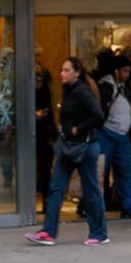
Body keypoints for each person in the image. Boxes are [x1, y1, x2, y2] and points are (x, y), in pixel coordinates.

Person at [26, 57, 109, 246]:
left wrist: (78, 129)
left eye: (66, 70)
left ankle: (99, 233)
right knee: (56, 187)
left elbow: (98, 116)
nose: (62, 73)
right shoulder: (67, 91)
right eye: (61, 70)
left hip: (85, 147)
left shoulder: (83, 92)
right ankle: (48, 231)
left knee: (91, 190)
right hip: (68, 147)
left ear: (77, 72)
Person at [98, 53, 131, 219]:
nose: (127, 75)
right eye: (124, 71)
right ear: (116, 71)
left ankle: (129, 207)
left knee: (125, 171)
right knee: (100, 172)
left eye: (128, 71)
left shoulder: (126, 87)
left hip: (123, 136)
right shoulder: (105, 86)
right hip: (106, 133)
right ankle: (93, 206)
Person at [34, 60, 57, 208]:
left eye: (39, 78)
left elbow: (49, 111)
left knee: (45, 168)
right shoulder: (27, 90)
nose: (37, 81)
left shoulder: (46, 90)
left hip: (44, 131)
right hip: (32, 131)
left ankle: (46, 200)